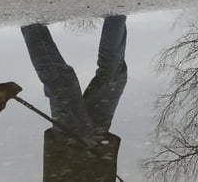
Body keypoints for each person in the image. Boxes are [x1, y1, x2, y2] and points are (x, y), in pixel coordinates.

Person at [22, 15, 128, 181]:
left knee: (62, 83)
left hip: (69, 149)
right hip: (98, 149)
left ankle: (31, 25)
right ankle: (116, 17)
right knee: (113, 77)